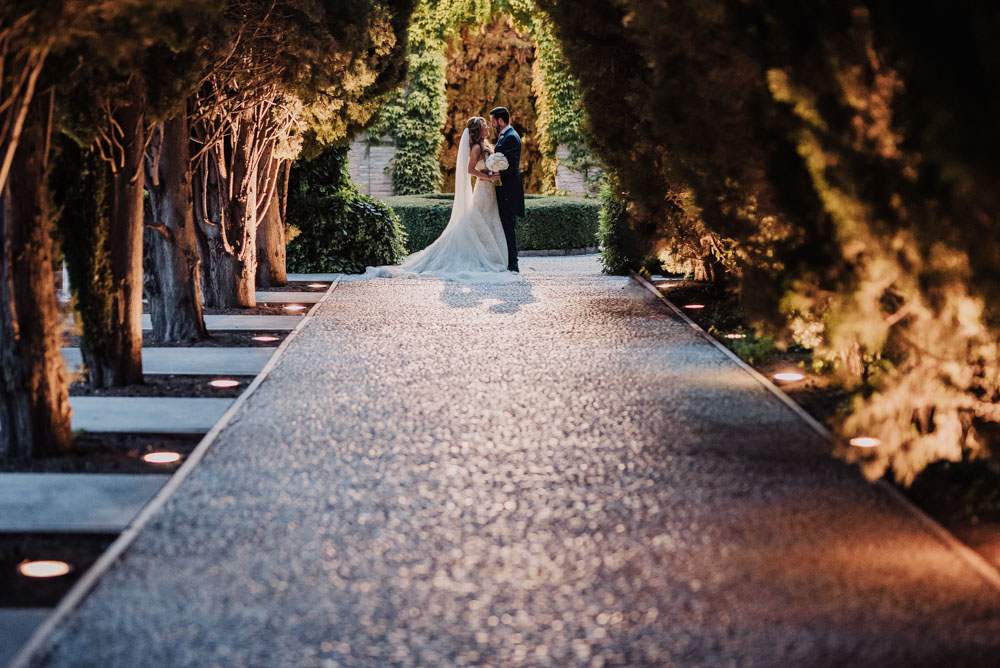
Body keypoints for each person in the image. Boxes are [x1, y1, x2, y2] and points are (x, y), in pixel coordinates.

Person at [365, 117, 518, 282]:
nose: (487, 127)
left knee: (488, 221)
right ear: (478, 130)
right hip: (482, 189)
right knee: (480, 221)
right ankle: (486, 257)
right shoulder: (475, 148)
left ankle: (493, 255)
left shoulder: (485, 145)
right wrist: (488, 176)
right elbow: (470, 170)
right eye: (484, 125)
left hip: (490, 190)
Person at [490, 106, 524, 273]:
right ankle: (509, 261)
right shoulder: (506, 136)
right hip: (505, 188)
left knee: (508, 226)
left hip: (509, 190)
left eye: (493, 121)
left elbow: (509, 166)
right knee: (505, 225)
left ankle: (513, 264)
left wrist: (494, 174)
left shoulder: (510, 137)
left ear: (500, 120)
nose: (492, 124)